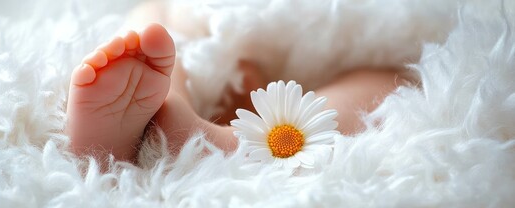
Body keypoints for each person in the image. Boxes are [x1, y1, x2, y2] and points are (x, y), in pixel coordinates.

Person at [65, 1, 406, 163]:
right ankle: (163, 103)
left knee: (393, 80)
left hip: (343, 32)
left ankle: (224, 141)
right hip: (213, 20)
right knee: (152, 23)